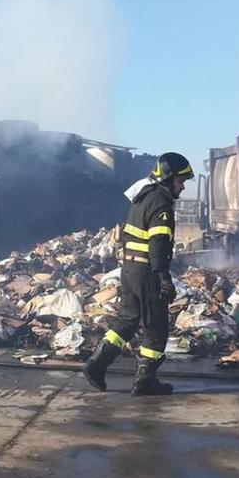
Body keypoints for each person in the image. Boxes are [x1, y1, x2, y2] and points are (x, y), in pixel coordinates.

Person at [82, 152, 193, 395]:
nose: (183, 187)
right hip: (147, 272)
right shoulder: (161, 203)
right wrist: (164, 277)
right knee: (156, 325)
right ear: (168, 177)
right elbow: (159, 244)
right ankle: (145, 380)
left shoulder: (142, 197)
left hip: (130, 269)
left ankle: (96, 364)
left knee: (127, 320)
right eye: (180, 181)